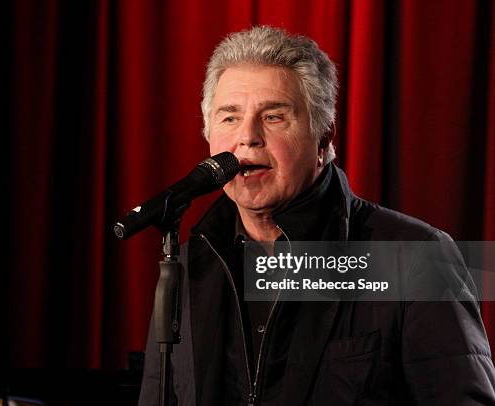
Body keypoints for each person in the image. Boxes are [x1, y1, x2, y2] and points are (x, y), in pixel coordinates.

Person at [138, 26, 495, 405]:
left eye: (273, 117)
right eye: (229, 118)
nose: (247, 137)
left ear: (323, 140)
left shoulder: (417, 256)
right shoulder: (189, 262)